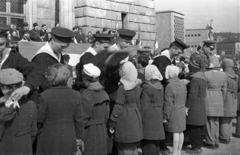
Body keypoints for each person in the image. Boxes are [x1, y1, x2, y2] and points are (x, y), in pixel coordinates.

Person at [36, 63, 84, 155]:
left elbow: (39, 118)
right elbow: (79, 120)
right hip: (68, 136)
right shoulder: (76, 95)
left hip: (48, 136)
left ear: (51, 77)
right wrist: (79, 138)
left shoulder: (45, 95)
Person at [0, 22, 44, 106]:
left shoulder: (13, 56)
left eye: (1, 44)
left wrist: (27, 87)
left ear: (6, 40)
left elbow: (37, 71)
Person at [108, 61, 142, 155]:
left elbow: (118, 106)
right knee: (133, 146)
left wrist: (112, 121)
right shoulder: (137, 86)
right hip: (135, 115)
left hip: (124, 118)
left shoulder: (122, 88)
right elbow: (139, 104)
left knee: (124, 147)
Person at [0, 69, 37, 155]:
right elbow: (33, 132)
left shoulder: (2, 106)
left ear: (4, 88)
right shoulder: (31, 104)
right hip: (25, 149)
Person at [32, 26, 75, 92]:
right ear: (53, 40)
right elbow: (44, 83)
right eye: (62, 46)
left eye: (66, 47)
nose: (64, 50)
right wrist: (65, 84)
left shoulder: (58, 53)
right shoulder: (42, 57)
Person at [81, 63, 110, 155]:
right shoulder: (104, 93)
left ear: (86, 79)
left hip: (89, 132)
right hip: (101, 130)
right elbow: (106, 115)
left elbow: (83, 119)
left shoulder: (86, 95)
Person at [140, 65, 165, 155]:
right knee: (155, 141)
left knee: (147, 141)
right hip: (158, 114)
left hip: (149, 115)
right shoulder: (160, 86)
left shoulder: (147, 87)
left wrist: (139, 117)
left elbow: (144, 105)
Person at [204, 58, 227, 149]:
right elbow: (224, 90)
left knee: (209, 122)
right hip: (219, 97)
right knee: (216, 121)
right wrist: (222, 99)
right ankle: (216, 140)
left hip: (209, 97)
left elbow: (204, 89)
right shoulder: (223, 74)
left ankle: (210, 141)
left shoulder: (206, 74)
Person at [163, 65, 187, 155]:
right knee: (180, 131)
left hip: (173, 110)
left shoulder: (169, 85)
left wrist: (165, 115)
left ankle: (175, 152)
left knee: (175, 132)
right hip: (181, 108)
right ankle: (179, 151)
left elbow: (168, 103)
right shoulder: (182, 83)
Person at [185, 68, 207, 154]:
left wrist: (187, 107)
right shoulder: (202, 80)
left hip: (195, 106)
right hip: (201, 104)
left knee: (193, 127)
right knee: (199, 128)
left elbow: (192, 96)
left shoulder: (194, 81)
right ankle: (198, 146)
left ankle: (196, 148)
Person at [219, 58, 238, 144]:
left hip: (226, 97)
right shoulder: (235, 75)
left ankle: (224, 137)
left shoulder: (224, 75)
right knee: (229, 118)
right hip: (234, 98)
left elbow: (223, 89)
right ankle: (228, 135)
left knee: (224, 118)